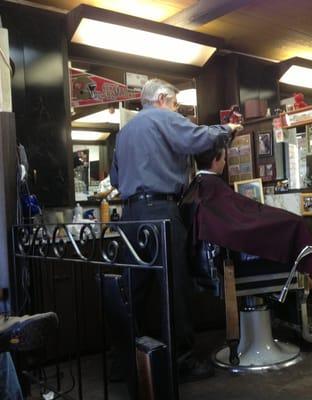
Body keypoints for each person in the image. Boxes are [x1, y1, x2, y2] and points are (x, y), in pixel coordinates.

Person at [109, 78, 243, 385]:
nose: (177, 110)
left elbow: (116, 178)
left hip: (130, 217)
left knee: (132, 292)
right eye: (175, 104)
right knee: (175, 288)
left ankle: (124, 362)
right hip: (160, 212)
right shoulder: (162, 116)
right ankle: (182, 361)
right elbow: (196, 139)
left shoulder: (125, 132)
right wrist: (227, 130)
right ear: (160, 99)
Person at [179, 136, 312, 307]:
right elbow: (237, 225)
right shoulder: (213, 188)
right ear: (215, 161)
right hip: (231, 266)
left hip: (208, 266)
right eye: (224, 159)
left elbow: (233, 223)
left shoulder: (196, 189)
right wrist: (283, 220)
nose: (225, 163)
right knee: (293, 228)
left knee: (278, 245)